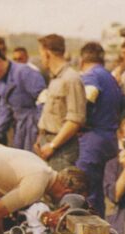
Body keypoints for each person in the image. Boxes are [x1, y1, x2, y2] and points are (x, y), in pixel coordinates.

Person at [76, 42, 123, 218]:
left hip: (92, 141)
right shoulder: (110, 78)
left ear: (82, 59)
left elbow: (89, 96)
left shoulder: (92, 75)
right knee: (97, 195)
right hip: (108, 139)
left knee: (83, 194)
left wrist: (80, 122)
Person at [0, 47, 46, 151]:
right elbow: (4, 113)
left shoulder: (24, 72)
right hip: (20, 129)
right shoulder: (2, 81)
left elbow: (44, 101)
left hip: (35, 127)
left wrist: (42, 132)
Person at [35, 34, 86, 171]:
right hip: (49, 143)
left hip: (61, 148)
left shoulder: (71, 79)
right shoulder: (56, 79)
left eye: (41, 53)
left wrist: (53, 146)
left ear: (47, 53)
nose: (40, 59)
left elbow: (75, 120)